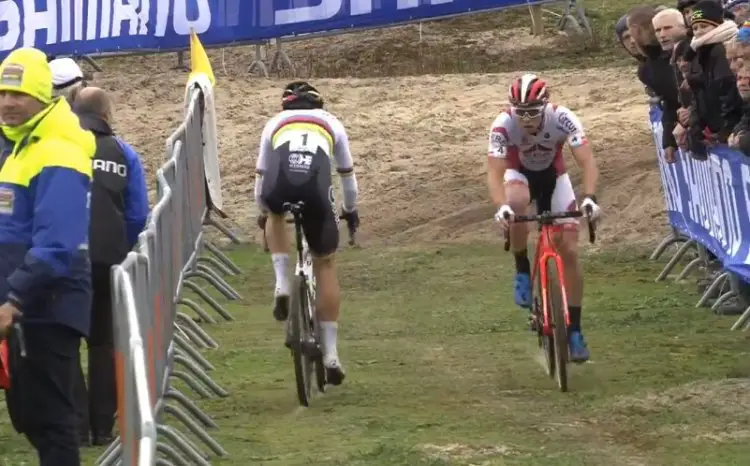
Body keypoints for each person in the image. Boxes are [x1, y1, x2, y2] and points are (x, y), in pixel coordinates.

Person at [0, 47, 95, 466]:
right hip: (25, 305)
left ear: (43, 96)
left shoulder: (56, 148)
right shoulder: (22, 147)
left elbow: (57, 242)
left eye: (18, 94)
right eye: (2, 92)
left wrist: (14, 299)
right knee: (30, 416)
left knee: (53, 421)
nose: (7, 102)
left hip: (47, 304)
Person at [486, 74, 601, 362]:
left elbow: (586, 159)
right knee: (516, 202)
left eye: (532, 112)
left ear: (545, 106)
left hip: (555, 177)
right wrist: (501, 207)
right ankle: (522, 268)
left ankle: (574, 330)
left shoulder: (562, 117)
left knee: (571, 252)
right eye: (520, 112)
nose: (525, 119)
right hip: (519, 175)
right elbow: (495, 173)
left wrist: (589, 196)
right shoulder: (502, 124)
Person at [254, 81, 359, 385]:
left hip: (280, 182)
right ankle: (331, 355)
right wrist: (350, 210)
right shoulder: (332, 123)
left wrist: (263, 212)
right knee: (325, 263)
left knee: (274, 212)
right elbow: (348, 181)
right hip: (315, 188)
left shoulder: (273, 123)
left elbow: (260, 183)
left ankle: (282, 283)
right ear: (318, 104)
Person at [72, 87, 149, 446]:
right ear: (107, 115)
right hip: (107, 258)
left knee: (65, 343)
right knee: (103, 343)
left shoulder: (58, 146)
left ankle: (74, 426)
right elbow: (137, 213)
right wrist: (122, 245)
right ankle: (102, 427)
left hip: (65, 258)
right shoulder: (123, 152)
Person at [628, 6, 682, 163]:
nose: (632, 42)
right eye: (658, 30)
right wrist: (668, 140)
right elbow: (670, 103)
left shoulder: (684, 53)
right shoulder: (646, 69)